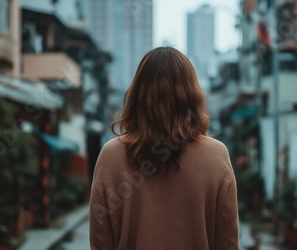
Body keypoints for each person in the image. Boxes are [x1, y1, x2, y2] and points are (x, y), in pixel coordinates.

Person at [90, 47, 239, 249]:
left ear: (137, 94)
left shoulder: (112, 156)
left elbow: (100, 241)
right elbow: (228, 241)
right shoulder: (216, 155)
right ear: (191, 95)